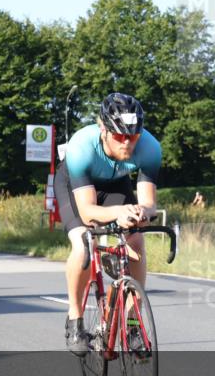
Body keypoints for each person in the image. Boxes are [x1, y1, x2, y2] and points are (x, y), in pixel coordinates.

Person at [54, 93, 161, 355]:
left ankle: (133, 325)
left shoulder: (150, 147)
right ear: (103, 129)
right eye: (120, 136)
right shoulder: (82, 145)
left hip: (116, 185)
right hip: (75, 187)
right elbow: (88, 212)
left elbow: (149, 203)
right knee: (83, 245)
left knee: (136, 239)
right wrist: (118, 212)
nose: (127, 142)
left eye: (133, 136)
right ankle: (75, 320)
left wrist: (140, 213)